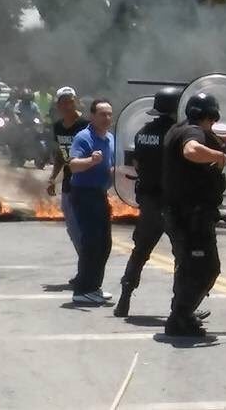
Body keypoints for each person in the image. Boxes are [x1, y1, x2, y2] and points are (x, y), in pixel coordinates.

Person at [162, 92, 226, 336]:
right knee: (206, 268)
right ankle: (180, 316)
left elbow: (193, 140)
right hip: (192, 217)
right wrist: (218, 156)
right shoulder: (194, 134)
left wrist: (223, 140)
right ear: (210, 115)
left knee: (188, 266)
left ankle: (181, 313)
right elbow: (191, 150)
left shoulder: (178, 129)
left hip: (180, 213)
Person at [115, 87, 181, 318]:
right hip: (171, 201)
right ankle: (180, 307)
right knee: (182, 255)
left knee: (140, 251)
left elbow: (138, 164)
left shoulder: (143, 132)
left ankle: (124, 297)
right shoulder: (176, 133)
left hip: (148, 200)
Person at [67, 99, 115, 306]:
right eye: (102, 114)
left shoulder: (111, 138)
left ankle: (94, 287)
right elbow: (74, 165)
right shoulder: (84, 137)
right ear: (92, 116)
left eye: (109, 114)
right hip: (83, 194)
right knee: (91, 242)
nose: (107, 118)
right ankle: (82, 289)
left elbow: (112, 166)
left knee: (105, 244)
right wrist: (91, 161)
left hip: (100, 194)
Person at [47, 87, 88, 285]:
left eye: (69, 101)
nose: (66, 105)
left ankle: (87, 271)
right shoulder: (58, 127)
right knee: (73, 229)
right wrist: (52, 178)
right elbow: (59, 156)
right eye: (62, 102)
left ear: (76, 102)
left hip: (86, 182)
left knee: (85, 228)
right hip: (68, 183)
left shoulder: (86, 125)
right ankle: (85, 268)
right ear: (58, 105)